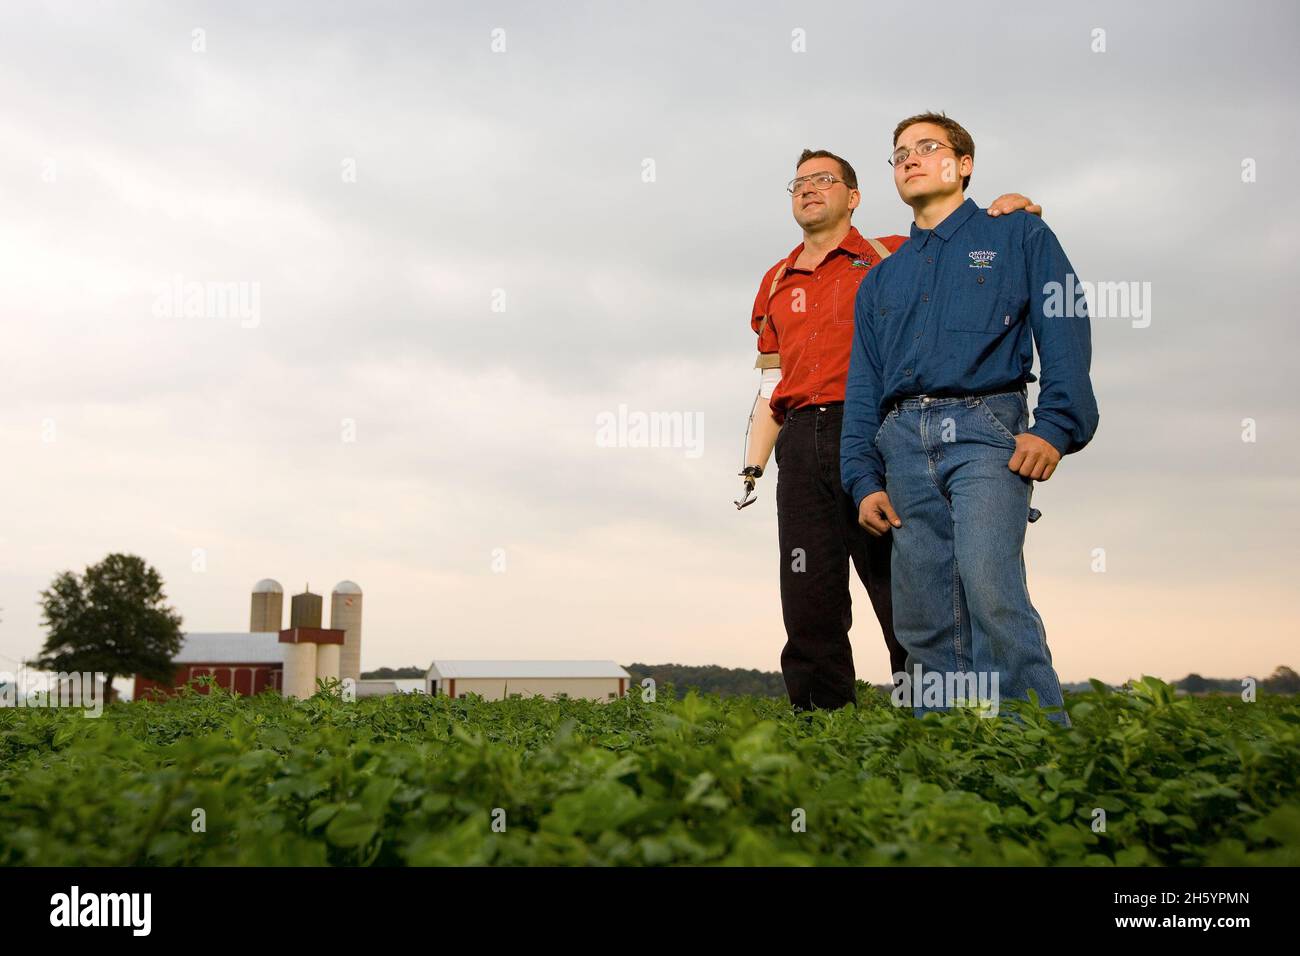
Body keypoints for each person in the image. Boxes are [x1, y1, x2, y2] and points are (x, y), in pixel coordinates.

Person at [739, 146, 1041, 713]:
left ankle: (929, 718)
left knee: (906, 590)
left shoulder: (894, 256)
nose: (807, 189)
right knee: (809, 594)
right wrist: (753, 463)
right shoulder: (776, 280)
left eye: (823, 180)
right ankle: (821, 723)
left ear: (853, 197)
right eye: (798, 183)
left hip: (880, 431)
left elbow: (970, 252)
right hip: (801, 443)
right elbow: (768, 386)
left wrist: (1012, 215)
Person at [840, 113, 1099, 727]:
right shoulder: (880, 279)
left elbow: (1064, 326)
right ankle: (948, 752)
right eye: (899, 153)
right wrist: (862, 477)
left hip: (988, 430)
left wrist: (1056, 425)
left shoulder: (1020, 236)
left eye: (927, 148)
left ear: (964, 164)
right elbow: (863, 385)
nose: (909, 159)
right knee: (923, 612)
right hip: (901, 441)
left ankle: (1035, 745)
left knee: (989, 585)